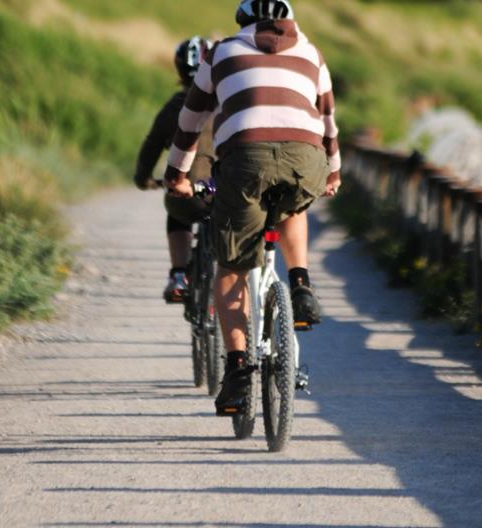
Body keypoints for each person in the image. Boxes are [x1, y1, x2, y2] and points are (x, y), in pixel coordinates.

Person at [164, 0, 342, 414]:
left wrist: (176, 175)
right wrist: (332, 173)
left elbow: (191, 121)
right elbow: (328, 122)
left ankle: (239, 374)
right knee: (294, 202)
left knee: (231, 269)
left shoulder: (221, 52)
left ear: (243, 22)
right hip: (306, 158)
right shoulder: (312, 53)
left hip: (244, 159)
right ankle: (300, 286)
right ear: (288, 22)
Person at [133, 36, 215, 304]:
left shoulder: (175, 106)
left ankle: (179, 274)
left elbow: (152, 145)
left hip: (188, 195)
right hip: (226, 192)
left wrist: (143, 179)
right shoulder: (230, 102)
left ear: (179, 69)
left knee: (177, 212)